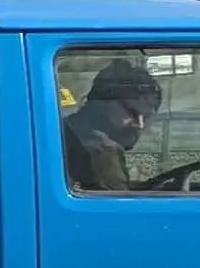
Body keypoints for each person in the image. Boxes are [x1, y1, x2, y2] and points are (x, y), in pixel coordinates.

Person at [60, 57, 163, 192]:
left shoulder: (66, 130)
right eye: (132, 113)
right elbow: (121, 209)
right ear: (103, 102)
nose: (140, 125)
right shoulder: (100, 150)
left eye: (146, 117)